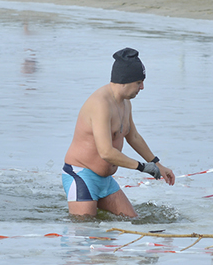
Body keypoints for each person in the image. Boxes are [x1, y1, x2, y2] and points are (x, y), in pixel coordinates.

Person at [62, 48, 175, 218]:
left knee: (133, 221)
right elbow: (106, 152)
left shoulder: (125, 103)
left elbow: (133, 136)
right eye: (139, 82)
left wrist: (157, 164)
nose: (142, 87)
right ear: (124, 81)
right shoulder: (101, 104)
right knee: (84, 230)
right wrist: (143, 167)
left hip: (105, 181)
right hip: (82, 176)